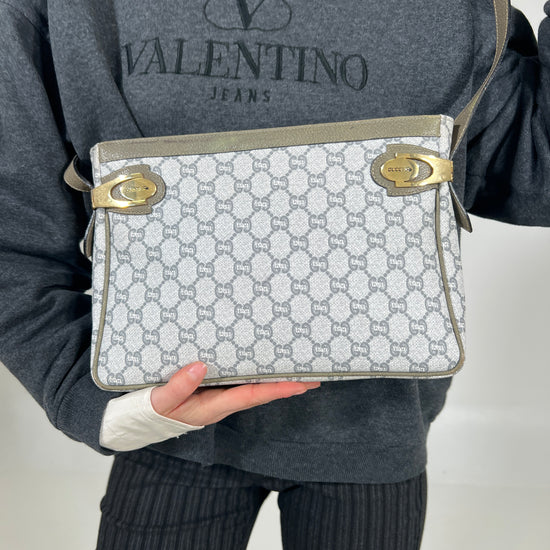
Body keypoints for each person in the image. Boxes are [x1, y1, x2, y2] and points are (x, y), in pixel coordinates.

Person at [0, 1, 549, 549]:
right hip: (166, 422)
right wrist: (82, 395)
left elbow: (534, 172)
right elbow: (16, 217)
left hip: (376, 432)